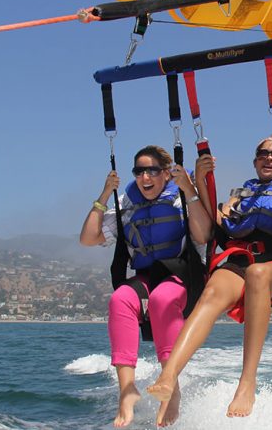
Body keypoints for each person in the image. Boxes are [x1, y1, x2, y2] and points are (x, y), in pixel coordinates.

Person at [147, 133, 272, 423]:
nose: (269, 158)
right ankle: (168, 376)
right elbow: (215, 226)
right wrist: (198, 183)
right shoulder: (241, 193)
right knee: (210, 293)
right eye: (262, 153)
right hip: (238, 260)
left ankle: (247, 383)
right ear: (255, 161)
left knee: (257, 274)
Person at [79, 145, 212, 428]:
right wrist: (104, 194)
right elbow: (88, 238)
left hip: (181, 275)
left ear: (166, 173)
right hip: (146, 276)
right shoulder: (128, 203)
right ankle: (126, 392)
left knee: (163, 299)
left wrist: (189, 190)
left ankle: (171, 388)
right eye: (139, 171)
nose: (144, 177)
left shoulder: (179, 198)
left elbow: (204, 233)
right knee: (120, 300)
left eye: (151, 170)